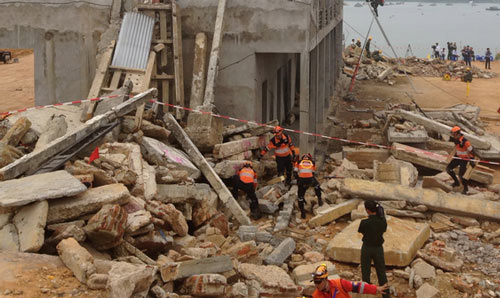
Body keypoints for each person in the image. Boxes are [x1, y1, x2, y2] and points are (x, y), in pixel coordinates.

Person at [358, 201, 390, 298]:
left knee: (366, 273)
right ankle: (386, 296)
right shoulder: (382, 221)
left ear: (367, 210)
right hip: (378, 249)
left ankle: (367, 295)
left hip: (367, 248)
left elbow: (361, 231)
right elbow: (384, 229)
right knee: (381, 273)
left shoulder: (364, 222)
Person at [311, 264, 388, 298]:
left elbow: (358, 287)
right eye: (315, 282)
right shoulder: (316, 295)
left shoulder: (340, 284)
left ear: (325, 279)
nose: (316, 285)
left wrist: (375, 289)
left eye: (319, 282)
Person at [447, 126, 475, 194]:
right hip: (458, 157)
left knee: (461, 175)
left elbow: (472, 151)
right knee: (448, 169)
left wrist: (472, 160)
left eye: (454, 134)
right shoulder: (456, 140)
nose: (453, 136)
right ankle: (456, 182)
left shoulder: (465, 142)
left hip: (464, 159)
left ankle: (466, 188)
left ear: (457, 134)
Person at [294, 153, 323, 219]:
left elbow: (295, 172)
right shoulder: (312, 162)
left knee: (300, 194)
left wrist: (298, 179)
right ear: (309, 158)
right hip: (310, 180)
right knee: (317, 185)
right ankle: (320, 199)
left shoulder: (298, 162)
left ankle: (303, 213)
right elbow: (313, 173)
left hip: (301, 180)